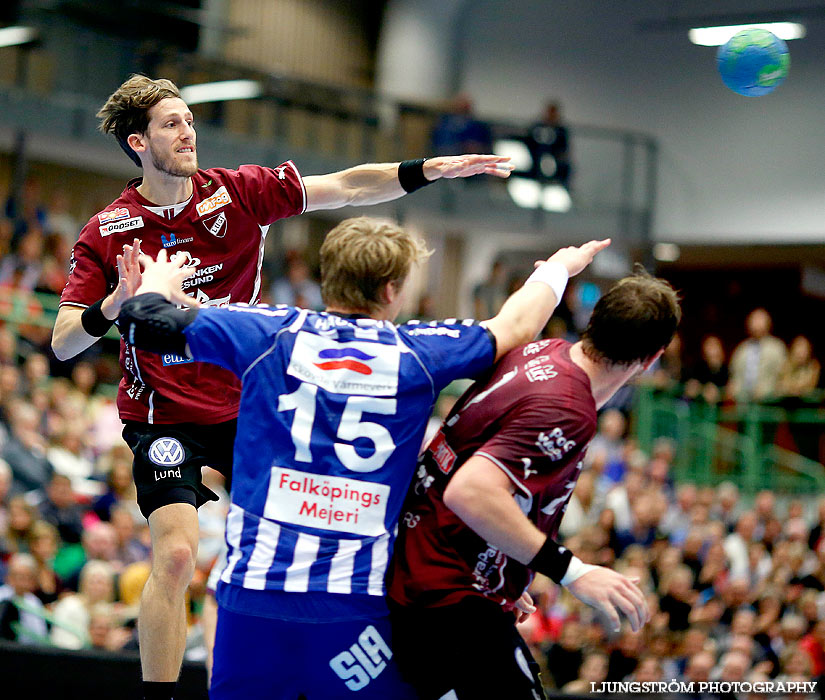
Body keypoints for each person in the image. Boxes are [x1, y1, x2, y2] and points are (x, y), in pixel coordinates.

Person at [49, 74, 513, 700]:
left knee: (341, 522)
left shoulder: (237, 193)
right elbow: (63, 341)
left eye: (189, 120)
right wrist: (115, 304)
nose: (187, 132)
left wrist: (427, 169)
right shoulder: (108, 231)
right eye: (171, 125)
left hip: (249, 408)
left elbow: (346, 185)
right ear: (139, 142)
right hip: (165, 417)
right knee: (178, 556)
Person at [117, 215, 609, 698]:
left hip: (252, 603)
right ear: (392, 290)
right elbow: (517, 325)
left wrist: (159, 283)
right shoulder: (420, 352)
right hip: (349, 610)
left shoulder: (269, 333)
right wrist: (558, 268)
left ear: (327, 276)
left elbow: (141, 322)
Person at [388, 268, 681, 700]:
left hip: (436, 570)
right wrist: (573, 572)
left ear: (593, 320)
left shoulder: (543, 351)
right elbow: (470, 491)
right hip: (446, 598)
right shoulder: (567, 409)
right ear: (653, 359)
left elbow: (465, 459)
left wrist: (506, 566)